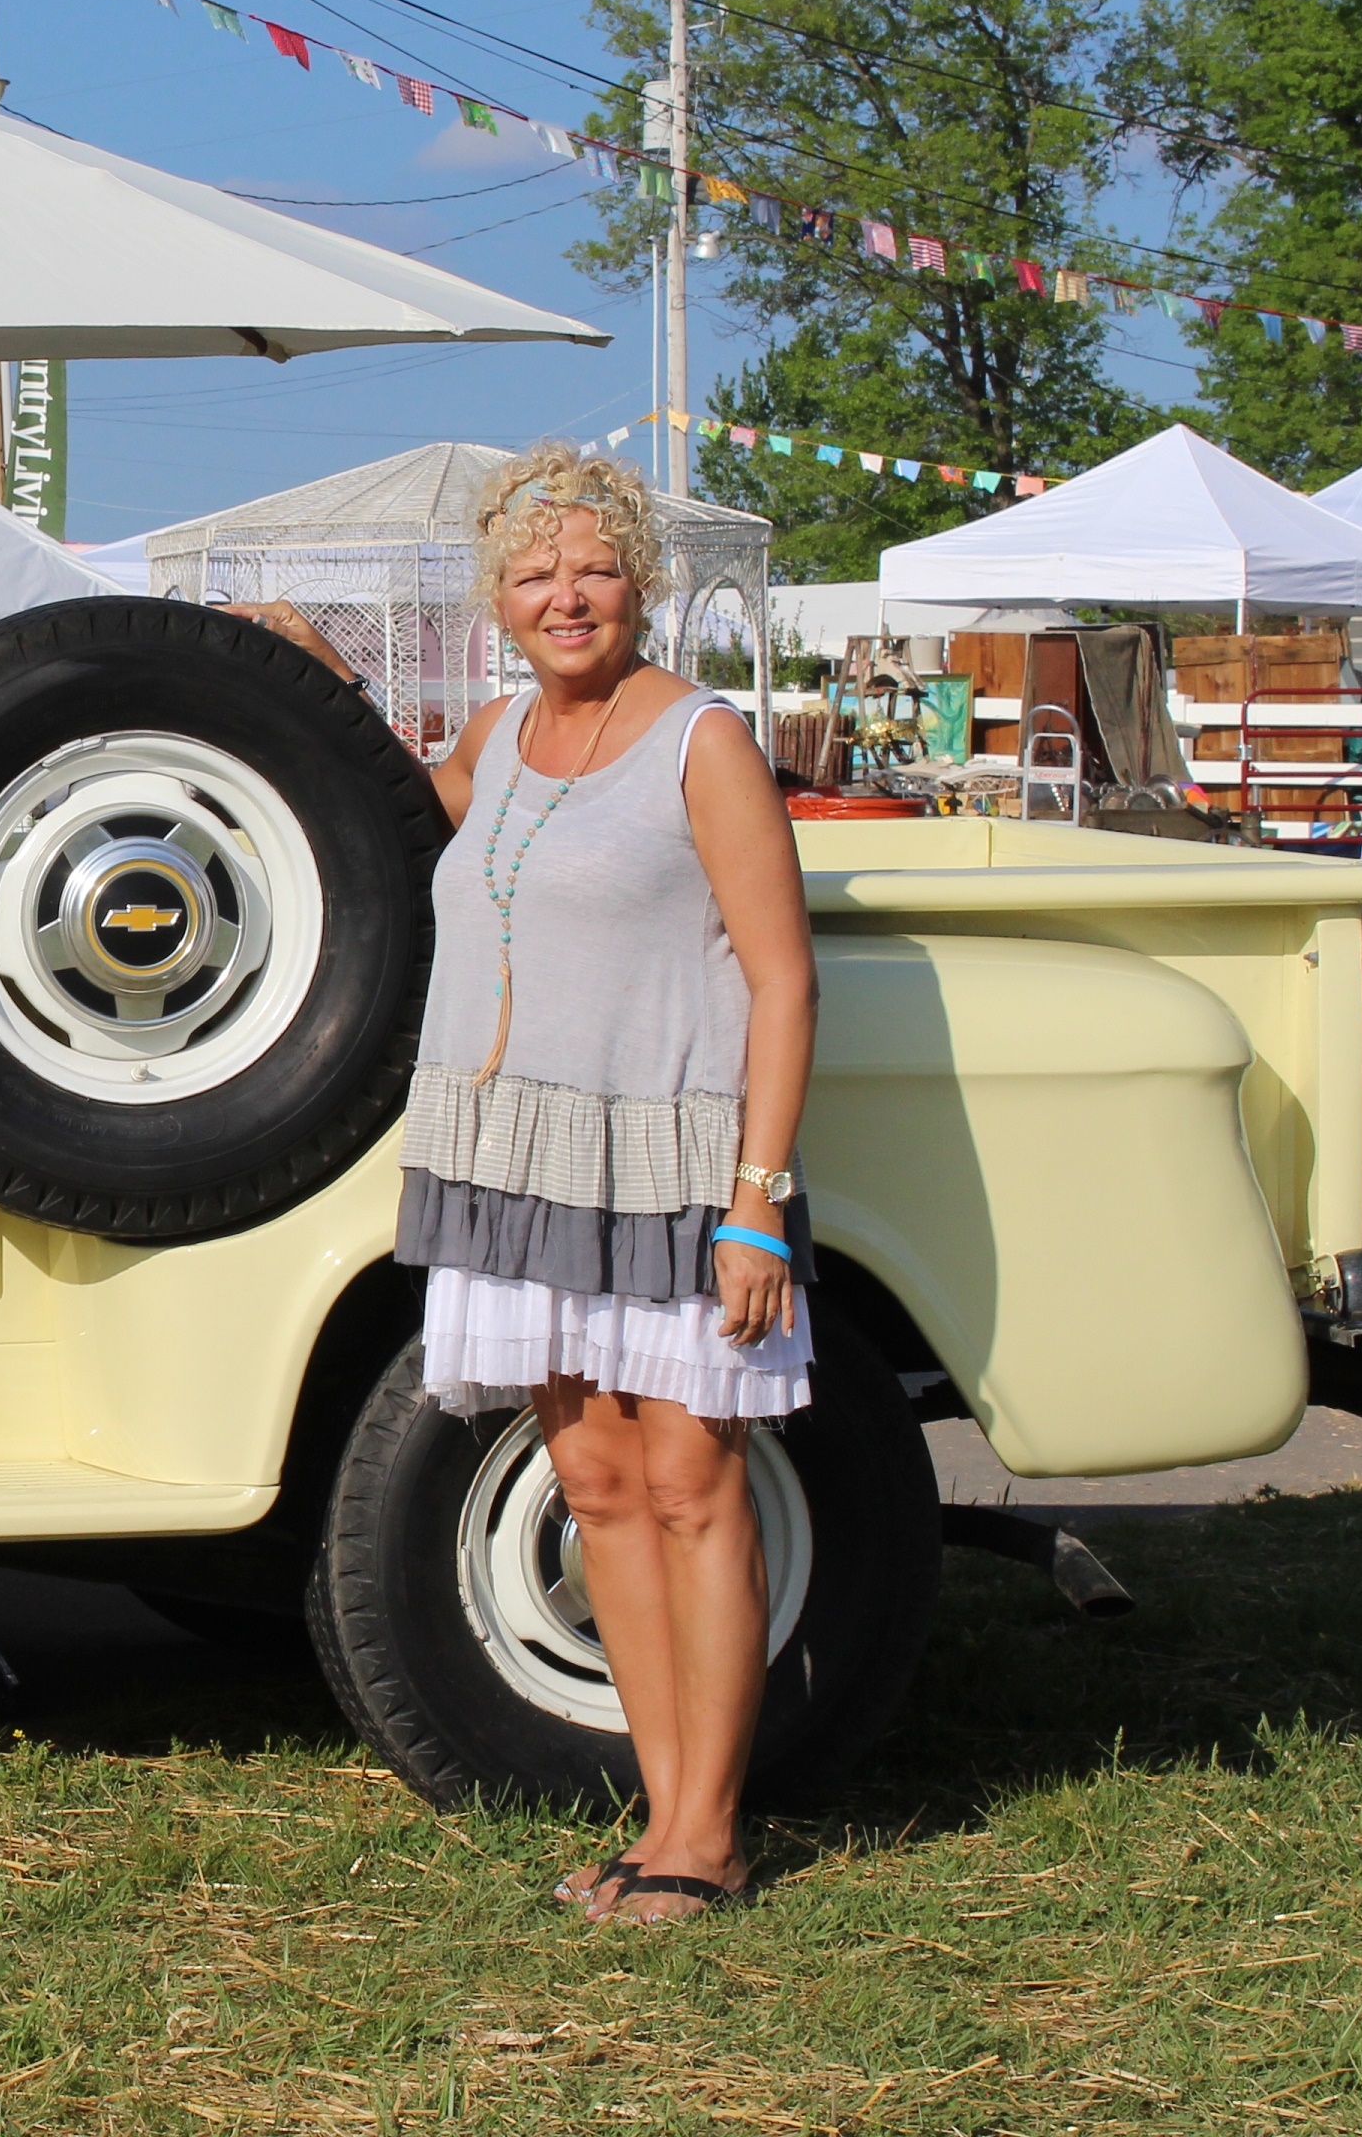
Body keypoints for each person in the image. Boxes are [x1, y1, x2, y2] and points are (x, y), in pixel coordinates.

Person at [233, 442, 816, 1926]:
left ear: (643, 583)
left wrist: (757, 1200)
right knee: (600, 1485)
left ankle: (709, 1835)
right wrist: (318, 684)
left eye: (596, 569)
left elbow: (783, 975)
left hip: (672, 1152)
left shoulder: (703, 741)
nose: (569, 597)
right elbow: (392, 820)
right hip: (513, 1151)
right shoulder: (494, 732)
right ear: (501, 601)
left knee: (693, 1483)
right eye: (536, 575)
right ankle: (659, 1818)